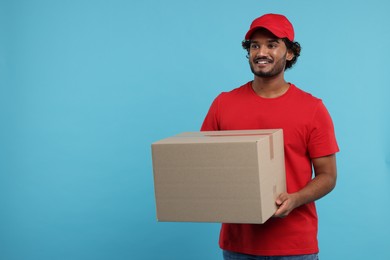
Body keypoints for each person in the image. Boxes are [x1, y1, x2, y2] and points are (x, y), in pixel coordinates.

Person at [201, 13, 339, 260]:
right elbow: (205, 164)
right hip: (238, 245)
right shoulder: (223, 103)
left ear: (290, 53)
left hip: (295, 247)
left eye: (272, 45)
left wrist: (296, 199)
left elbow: (328, 176)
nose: (261, 52)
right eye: (255, 45)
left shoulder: (313, 109)